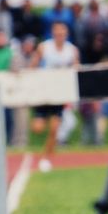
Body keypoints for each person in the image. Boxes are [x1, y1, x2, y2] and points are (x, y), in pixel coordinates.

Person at [32, 20, 80, 171]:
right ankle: (41, 152)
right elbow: (33, 66)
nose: (60, 34)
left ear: (66, 33)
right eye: (57, 32)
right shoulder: (44, 47)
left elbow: (76, 68)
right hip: (44, 91)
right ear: (53, 33)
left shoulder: (71, 50)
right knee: (38, 128)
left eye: (63, 32)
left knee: (54, 129)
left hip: (59, 94)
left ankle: (47, 158)